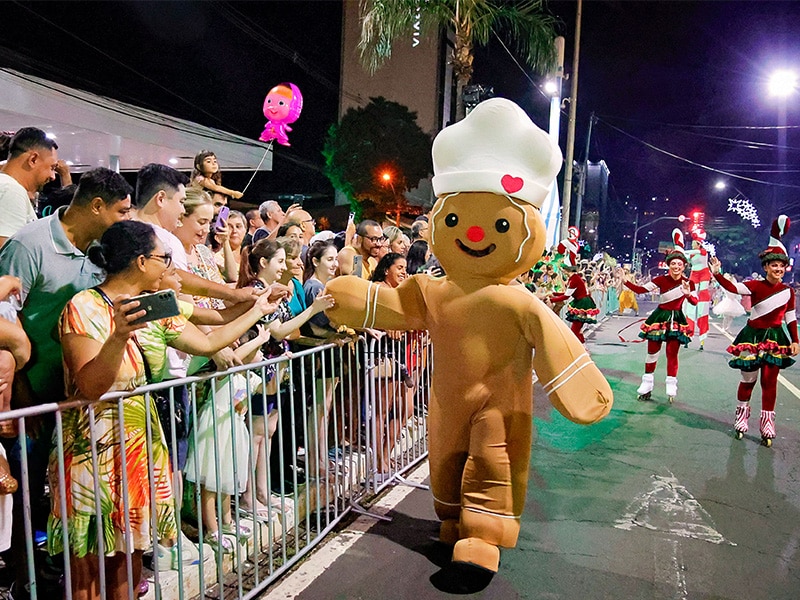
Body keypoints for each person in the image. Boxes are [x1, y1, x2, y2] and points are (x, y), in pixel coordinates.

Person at [46, 220, 272, 599]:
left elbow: (209, 341)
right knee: (88, 559)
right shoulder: (83, 307)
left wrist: (258, 309)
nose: (170, 267)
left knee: (130, 551)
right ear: (140, 262)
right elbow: (91, 386)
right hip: (92, 445)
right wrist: (118, 336)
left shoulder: (153, 309)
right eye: (163, 258)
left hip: (137, 444)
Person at [0, 167, 132, 600]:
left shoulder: (97, 252)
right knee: (25, 493)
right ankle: (25, 581)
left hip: (79, 402)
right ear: (96, 206)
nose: (125, 220)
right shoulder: (30, 245)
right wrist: (20, 395)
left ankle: (64, 573)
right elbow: (6, 323)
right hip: (32, 401)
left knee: (71, 498)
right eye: (120, 211)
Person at [233, 239, 334, 518]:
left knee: (269, 430)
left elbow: (287, 332)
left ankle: (262, 492)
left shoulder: (274, 291)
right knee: (256, 433)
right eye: (279, 261)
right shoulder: (256, 291)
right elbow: (277, 331)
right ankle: (247, 496)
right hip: (259, 369)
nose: (283, 267)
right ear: (263, 263)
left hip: (275, 368)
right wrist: (313, 310)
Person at [709, 216, 799, 447]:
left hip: (776, 339)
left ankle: (767, 424)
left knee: (770, 381)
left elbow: (790, 318)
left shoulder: (789, 292)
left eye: (781, 265)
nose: (778, 269)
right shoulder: (755, 286)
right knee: (748, 380)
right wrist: (717, 273)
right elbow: (732, 287)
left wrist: (795, 340)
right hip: (752, 337)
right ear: (766, 267)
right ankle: (741, 417)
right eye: (773, 265)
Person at [624, 229, 697, 402]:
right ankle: (647, 382)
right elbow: (641, 289)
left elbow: (694, 302)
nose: (676, 267)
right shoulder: (661, 280)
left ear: (684, 266)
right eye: (673, 264)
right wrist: (625, 280)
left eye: (680, 264)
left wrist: (687, 294)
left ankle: (671, 383)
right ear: (668, 265)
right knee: (652, 352)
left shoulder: (688, 283)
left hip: (677, 320)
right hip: (659, 318)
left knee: (672, 353)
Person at [369, 253, 414, 478]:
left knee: (406, 409)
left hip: (399, 356)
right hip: (381, 355)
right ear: (386, 269)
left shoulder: (400, 291)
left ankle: (387, 454)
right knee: (381, 411)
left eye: (405, 267)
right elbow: (369, 316)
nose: (404, 271)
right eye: (399, 267)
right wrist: (388, 325)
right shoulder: (378, 288)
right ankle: (379, 461)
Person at [0, 127, 59, 246]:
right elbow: (7, 257)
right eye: (52, 167)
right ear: (33, 159)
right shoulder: (10, 190)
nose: (53, 176)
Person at [546, 250, 599, 344]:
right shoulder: (574, 278)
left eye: (563, 268)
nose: (561, 270)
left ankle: (578, 349)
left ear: (567, 269)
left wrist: (552, 299)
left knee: (575, 330)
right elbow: (567, 293)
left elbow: (566, 296)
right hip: (582, 302)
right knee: (577, 329)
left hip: (582, 303)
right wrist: (554, 294)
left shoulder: (574, 279)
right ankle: (581, 347)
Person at [684, 231, 712, 350]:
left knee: (703, 295)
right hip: (694, 274)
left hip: (704, 273)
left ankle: (702, 339)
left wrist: (681, 251)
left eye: (694, 243)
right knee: (691, 305)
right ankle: (687, 334)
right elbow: (684, 256)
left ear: (699, 244)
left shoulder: (703, 251)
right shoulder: (691, 254)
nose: (692, 245)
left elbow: (688, 252)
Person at [215, 209, 246, 283]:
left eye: (238, 226)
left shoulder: (249, 255)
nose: (234, 231)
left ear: (245, 230)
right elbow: (232, 278)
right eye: (229, 227)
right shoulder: (217, 258)